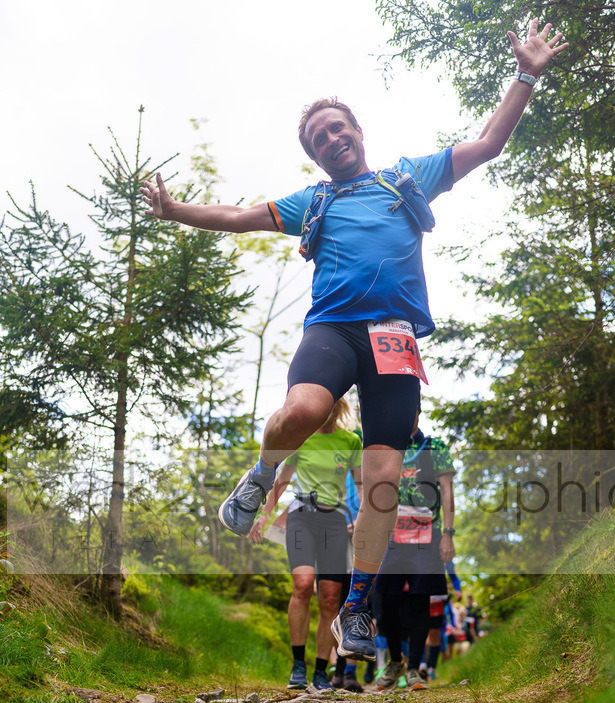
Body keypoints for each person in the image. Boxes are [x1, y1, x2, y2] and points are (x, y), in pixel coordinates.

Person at [140, 19, 568, 662]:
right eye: (319, 137)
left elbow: (487, 144)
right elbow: (237, 216)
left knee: (382, 481)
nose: (332, 138)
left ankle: (360, 607)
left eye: (338, 127)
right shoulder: (313, 202)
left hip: (394, 338)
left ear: (358, 132)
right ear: (315, 155)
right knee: (304, 411)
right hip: (333, 330)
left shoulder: (408, 178)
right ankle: (260, 477)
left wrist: (526, 74)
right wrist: (176, 212)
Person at [248, 398, 361, 691]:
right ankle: (298, 665)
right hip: (301, 517)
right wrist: (263, 517)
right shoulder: (303, 439)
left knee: (329, 598)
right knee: (302, 584)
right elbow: (281, 481)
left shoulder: (350, 441)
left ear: (337, 408)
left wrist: (362, 517)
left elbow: (360, 483)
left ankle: (321, 671)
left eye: (329, 408)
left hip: (335, 522)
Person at [372, 408, 456, 692]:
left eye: (412, 409)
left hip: (426, 532)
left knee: (420, 600)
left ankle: (415, 669)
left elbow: (446, 491)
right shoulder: (385, 447)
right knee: (385, 598)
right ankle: (395, 661)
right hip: (390, 533)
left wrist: (448, 534)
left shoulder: (435, 447)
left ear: (418, 412)